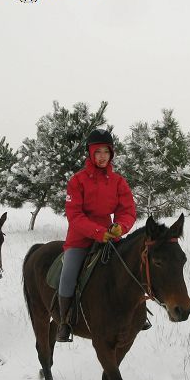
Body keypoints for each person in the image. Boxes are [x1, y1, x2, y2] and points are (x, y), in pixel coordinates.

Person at [57, 128, 137, 342]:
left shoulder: (118, 181)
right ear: (90, 153)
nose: (102, 156)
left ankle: (137, 316)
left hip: (110, 235)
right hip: (80, 238)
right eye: (98, 151)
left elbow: (127, 209)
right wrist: (98, 232)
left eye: (106, 152)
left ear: (111, 154)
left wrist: (120, 226)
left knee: (129, 270)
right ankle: (64, 321)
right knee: (68, 274)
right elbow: (74, 214)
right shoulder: (77, 180)